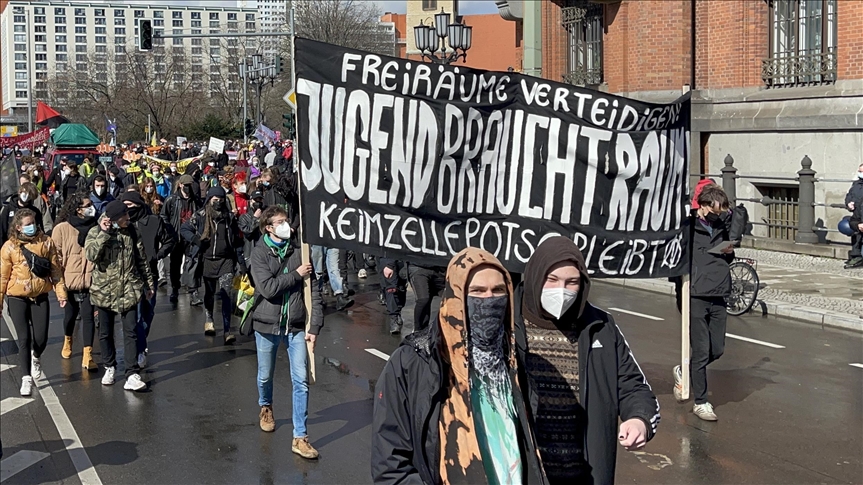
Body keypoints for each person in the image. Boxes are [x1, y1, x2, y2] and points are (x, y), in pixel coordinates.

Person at [372, 248, 546, 484]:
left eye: (498, 290)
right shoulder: (414, 362)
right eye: (477, 291)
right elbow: (390, 466)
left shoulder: (514, 359)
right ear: (456, 296)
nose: (489, 299)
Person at [516, 236, 660, 484]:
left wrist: (640, 420)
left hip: (584, 475)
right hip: (523, 473)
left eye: (571, 282)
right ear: (535, 276)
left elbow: (633, 386)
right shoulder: (506, 323)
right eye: (552, 279)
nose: (561, 290)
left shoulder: (601, 327)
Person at [250, 206, 322, 460]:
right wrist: (295, 274)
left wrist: (315, 326)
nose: (286, 226)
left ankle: (300, 437)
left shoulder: (300, 251)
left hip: (296, 326)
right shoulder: (259, 253)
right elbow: (268, 288)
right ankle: (265, 406)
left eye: (287, 221)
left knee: (301, 380)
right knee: (264, 376)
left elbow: (314, 290)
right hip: (266, 324)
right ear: (268, 227)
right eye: (280, 222)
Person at [673, 185, 733, 422]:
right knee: (700, 350)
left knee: (717, 349)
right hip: (696, 294)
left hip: (719, 291)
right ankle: (701, 402)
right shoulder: (688, 226)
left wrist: (728, 251)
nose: (719, 214)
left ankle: (684, 370)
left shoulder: (720, 225)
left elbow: (729, 255)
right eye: (716, 210)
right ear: (704, 206)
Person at [85, 200, 154, 391]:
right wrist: (104, 234)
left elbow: (141, 259)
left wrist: (148, 284)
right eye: (124, 215)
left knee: (131, 331)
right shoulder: (95, 232)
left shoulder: (132, 232)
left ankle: (131, 373)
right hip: (104, 291)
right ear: (114, 218)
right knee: (105, 332)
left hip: (128, 289)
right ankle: (110, 366)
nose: (128, 218)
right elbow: (91, 255)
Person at [0, 209, 67, 396]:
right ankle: (26, 378)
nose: (32, 226)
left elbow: (55, 270)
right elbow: (2, 278)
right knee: (24, 339)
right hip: (17, 297)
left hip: (40, 296)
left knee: (41, 338)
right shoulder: (9, 247)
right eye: (28, 224)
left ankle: (36, 356)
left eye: (33, 223)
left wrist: (61, 294)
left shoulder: (46, 242)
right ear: (18, 227)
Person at [181, 187, 246, 342]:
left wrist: (242, 263)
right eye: (215, 199)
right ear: (209, 199)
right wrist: (197, 240)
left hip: (226, 260)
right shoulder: (201, 215)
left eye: (221, 199)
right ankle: (209, 319)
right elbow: (184, 229)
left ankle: (227, 330)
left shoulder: (229, 217)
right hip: (207, 260)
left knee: (225, 294)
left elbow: (237, 241)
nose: (218, 202)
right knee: (209, 293)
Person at [121, 191, 175, 368]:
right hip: (128, 276)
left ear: (138, 204)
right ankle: (138, 350)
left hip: (149, 274)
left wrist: (157, 256)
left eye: (129, 205)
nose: (127, 209)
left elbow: (169, 240)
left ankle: (140, 341)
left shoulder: (153, 221)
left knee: (147, 313)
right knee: (134, 316)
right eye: (124, 206)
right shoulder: (121, 223)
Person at [51, 193, 99, 370]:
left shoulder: (96, 227)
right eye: (88, 205)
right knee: (70, 316)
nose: (91, 207)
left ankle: (88, 355)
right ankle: (68, 339)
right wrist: (59, 285)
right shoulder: (62, 229)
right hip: (69, 281)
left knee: (88, 317)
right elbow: (55, 257)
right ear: (78, 209)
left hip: (90, 280)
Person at [162, 174, 202, 304]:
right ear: (180, 185)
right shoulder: (172, 200)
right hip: (176, 237)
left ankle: (193, 291)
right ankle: (175, 288)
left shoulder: (195, 200)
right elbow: (163, 216)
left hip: (190, 237)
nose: (188, 187)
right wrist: (170, 231)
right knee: (175, 264)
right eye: (186, 185)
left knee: (192, 263)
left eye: (190, 185)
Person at [1, 183, 46, 248]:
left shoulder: (35, 211)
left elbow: (40, 231)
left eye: (30, 196)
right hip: (11, 247)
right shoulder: (8, 209)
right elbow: (2, 230)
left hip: (32, 246)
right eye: (25, 193)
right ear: (20, 191)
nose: (27, 197)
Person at [311, 245, 354, 311]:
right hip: (317, 241)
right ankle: (318, 297)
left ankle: (340, 296)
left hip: (332, 240)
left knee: (334, 268)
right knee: (318, 269)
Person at [407, 262, 447, 334]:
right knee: (423, 299)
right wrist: (389, 265)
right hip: (418, 267)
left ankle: (428, 330)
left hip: (440, 269)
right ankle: (417, 330)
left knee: (450, 299)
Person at [379, 258, 406, 335]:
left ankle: (398, 311)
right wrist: (389, 264)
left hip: (402, 258)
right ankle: (394, 317)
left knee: (401, 288)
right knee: (391, 288)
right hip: (388, 258)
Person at [844, 163, 863, 269]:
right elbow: (849, 196)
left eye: (861, 171)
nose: (859, 173)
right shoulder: (856, 184)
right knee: (855, 231)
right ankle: (856, 256)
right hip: (857, 215)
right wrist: (848, 203)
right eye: (859, 171)